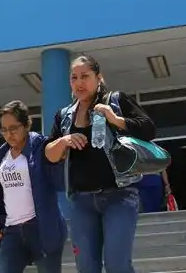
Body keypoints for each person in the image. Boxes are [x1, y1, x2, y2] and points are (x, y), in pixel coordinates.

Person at [45, 55, 156, 273]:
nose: (79, 82)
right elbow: (49, 155)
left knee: (117, 265)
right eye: (74, 78)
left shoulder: (116, 101)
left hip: (119, 196)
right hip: (81, 202)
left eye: (85, 76)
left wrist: (115, 119)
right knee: (86, 267)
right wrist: (63, 141)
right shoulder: (64, 116)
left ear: (99, 78)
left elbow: (149, 129)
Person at [0, 100, 66, 273]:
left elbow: (60, 183)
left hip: (41, 229)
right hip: (12, 232)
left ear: (26, 124)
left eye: (13, 128)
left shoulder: (41, 147)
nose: (9, 134)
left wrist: (60, 160)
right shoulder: (1, 155)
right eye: (4, 130)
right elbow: (3, 195)